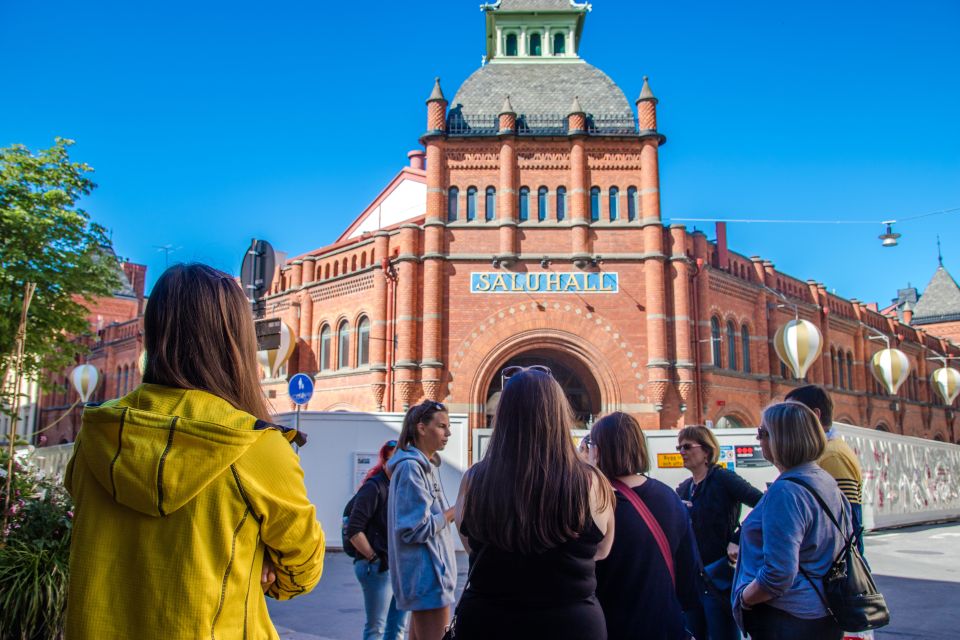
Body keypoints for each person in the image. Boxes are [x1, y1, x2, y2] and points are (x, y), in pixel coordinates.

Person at [64, 263, 325, 639]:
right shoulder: (255, 446)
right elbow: (302, 572)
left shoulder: (98, 434)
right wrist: (260, 560)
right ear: (235, 340)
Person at [452, 366, 615, 640]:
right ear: (559, 415)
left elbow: (470, 545)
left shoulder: (474, 479)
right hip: (572, 626)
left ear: (503, 418)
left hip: (488, 624)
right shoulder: (592, 482)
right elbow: (601, 550)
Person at [732, 402, 850, 640]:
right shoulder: (823, 479)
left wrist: (744, 598)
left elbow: (779, 574)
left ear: (782, 439)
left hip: (788, 617)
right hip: (823, 610)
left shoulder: (786, 491)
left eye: (762, 433)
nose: (758, 440)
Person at [590, 412, 701, 640]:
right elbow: (689, 581)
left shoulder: (596, 503)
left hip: (613, 627)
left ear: (599, 450)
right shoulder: (670, 497)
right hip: (666, 626)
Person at [676, 425, 762, 640]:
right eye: (679, 447)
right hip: (693, 581)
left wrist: (738, 538)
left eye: (687, 446)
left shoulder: (723, 478)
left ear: (706, 450)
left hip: (719, 578)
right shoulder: (685, 488)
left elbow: (763, 504)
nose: (682, 452)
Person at [387, 401, 457, 640]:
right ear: (421, 428)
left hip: (427, 579)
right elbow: (413, 529)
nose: (448, 433)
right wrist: (454, 511)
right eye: (442, 426)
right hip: (428, 580)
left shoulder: (419, 467)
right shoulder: (410, 469)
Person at [785, 384, 865, 555]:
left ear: (815, 415)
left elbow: (845, 521)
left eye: (792, 413)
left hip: (833, 570)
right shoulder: (824, 452)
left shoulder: (832, 455)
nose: (786, 421)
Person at [346, 439, 408, 640]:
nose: (395, 465)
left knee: (397, 628)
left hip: (397, 566)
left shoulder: (401, 488)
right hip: (377, 567)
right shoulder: (374, 487)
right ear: (383, 462)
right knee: (376, 629)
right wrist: (374, 558)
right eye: (390, 460)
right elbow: (354, 529)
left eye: (400, 460)